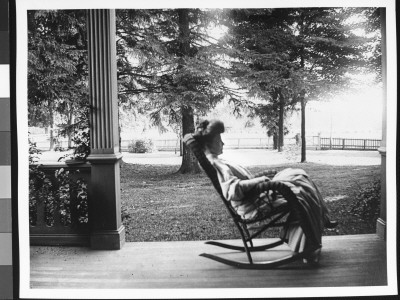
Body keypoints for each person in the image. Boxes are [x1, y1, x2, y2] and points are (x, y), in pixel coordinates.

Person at [192, 119, 337, 264]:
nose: (223, 143)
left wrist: (258, 179)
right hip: (256, 203)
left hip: (259, 196)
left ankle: (320, 220)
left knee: (299, 175)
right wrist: (258, 180)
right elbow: (233, 190)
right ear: (208, 144)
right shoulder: (217, 164)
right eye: (219, 140)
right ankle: (316, 230)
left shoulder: (217, 161)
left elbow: (239, 182)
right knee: (300, 181)